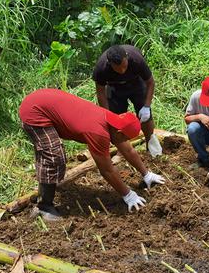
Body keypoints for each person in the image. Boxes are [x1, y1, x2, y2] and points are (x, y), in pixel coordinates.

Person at [19, 88, 165, 221]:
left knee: (50, 154)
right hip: (34, 111)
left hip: (45, 100)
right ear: (120, 132)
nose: (125, 142)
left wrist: (146, 174)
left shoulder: (112, 120)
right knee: (53, 156)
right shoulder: (98, 132)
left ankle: (44, 190)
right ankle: (44, 207)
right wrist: (128, 194)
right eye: (125, 138)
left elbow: (128, 149)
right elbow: (106, 169)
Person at [93, 45, 159, 152]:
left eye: (124, 66)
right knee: (116, 120)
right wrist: (107, 113)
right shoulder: (101, 68)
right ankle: (123, 150)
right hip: (114, 88)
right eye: (118, 68)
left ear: (127, 58)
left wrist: (147, 106)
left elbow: (150, 82)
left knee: (146, 117)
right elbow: (100, 92)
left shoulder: (137, 60)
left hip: (136, 83)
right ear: (110, 64)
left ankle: (150, 144)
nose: (122, 71)